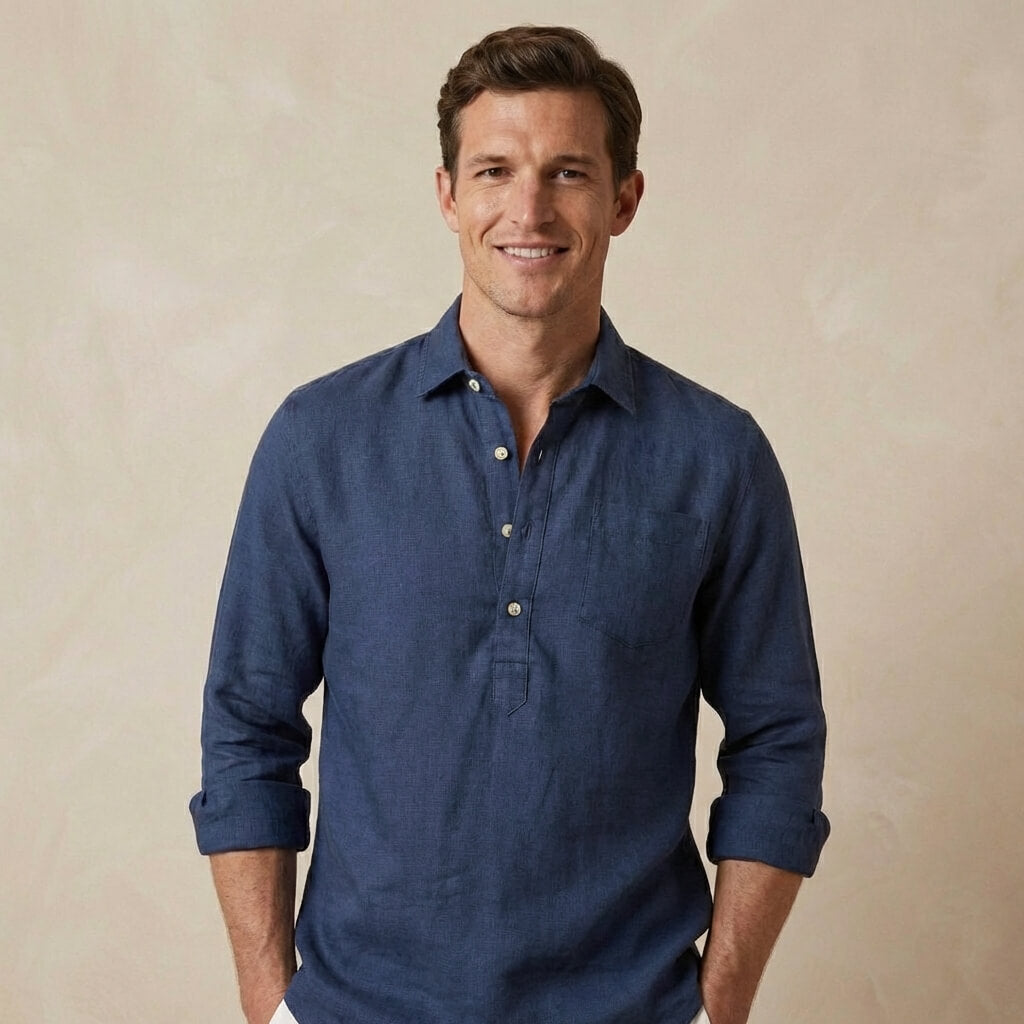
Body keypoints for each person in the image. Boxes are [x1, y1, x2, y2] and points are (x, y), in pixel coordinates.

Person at [190, 25, 829, 1024]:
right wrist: (271, 1006)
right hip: (360, 1008)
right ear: (448, 194)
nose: (527, 209)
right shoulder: (320, 439)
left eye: (567, 172)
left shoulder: (716, 457)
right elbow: (245, 727)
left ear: (623, 199)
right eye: (494, 170)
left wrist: (720, 1006)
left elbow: (779, 740)